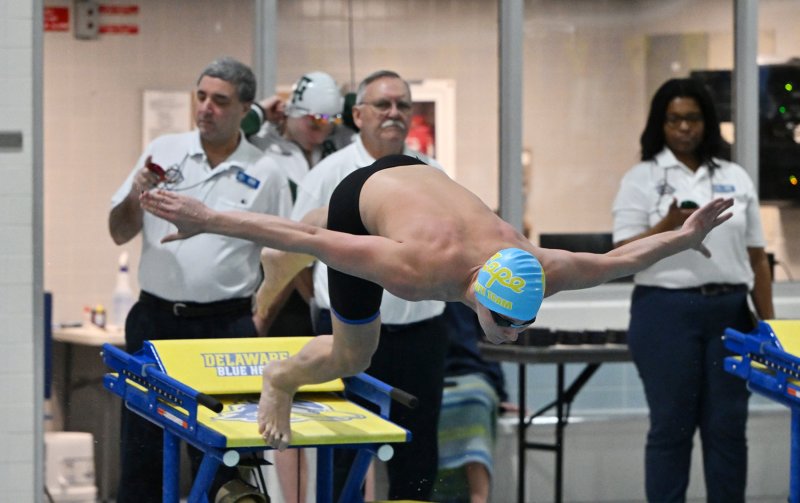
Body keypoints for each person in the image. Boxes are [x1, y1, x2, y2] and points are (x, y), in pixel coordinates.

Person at [139, 148, 734, 455]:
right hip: (362, 206)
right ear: (476, 294)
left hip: (413, 176)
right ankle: (282, 378)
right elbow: (309, 239)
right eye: (507, 324)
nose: (516, 334)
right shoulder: (416, 268)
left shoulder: (536, 266)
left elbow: (618, 262)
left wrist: (684, 237)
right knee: (355, 356)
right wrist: (207, 217)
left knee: (324, 244)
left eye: (524, 322)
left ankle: (291, 263)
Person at [108, 56, 292, 502]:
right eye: (202, 96)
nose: (206, 108)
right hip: (155, 322)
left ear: (245, 108)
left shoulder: (266, 172)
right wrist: (136, 193)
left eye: (220, 101)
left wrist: (260, 319)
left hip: (226, 328)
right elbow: (118, 231)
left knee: (224, 453)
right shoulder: (164, 151)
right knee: (143, 450)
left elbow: (285, 253)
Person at [277, 70, 450, 501]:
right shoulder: (329, 173)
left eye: (403, 105)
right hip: (346, 336)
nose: (394, 113)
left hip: (419, 337)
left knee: (418, 450)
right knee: (342, 448)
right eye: (382, 104)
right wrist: (326, 306)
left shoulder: (434, 174)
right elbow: (297, 250)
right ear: (357, 114)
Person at [611, 78, 774, 503]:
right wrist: (668, 224)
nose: (684, 127)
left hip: (731, 311)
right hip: (665, 313)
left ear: (707, 122)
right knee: (671, 428)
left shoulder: (734, 175)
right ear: (660, 124)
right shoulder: (641, 177)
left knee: (728, 428)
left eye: (693, 118)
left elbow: (757, 257)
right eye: (674, 119)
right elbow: (620, 253)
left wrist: (770, 326)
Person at [250, 71, 347, 503]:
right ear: (291, 113)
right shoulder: (265, 153)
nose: (319, 128)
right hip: (279, 291)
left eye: (328, 120)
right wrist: (261, 110)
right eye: (312, 119)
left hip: (320, 289)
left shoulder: (339, 152)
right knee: (285, 401)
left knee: (328, 404)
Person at [433, 301, 511, 503]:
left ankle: (479, 498)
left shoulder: (474, 294)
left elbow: (489, 340)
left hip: (471, 372)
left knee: (475, 401)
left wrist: (500, 394)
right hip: (428, 373)